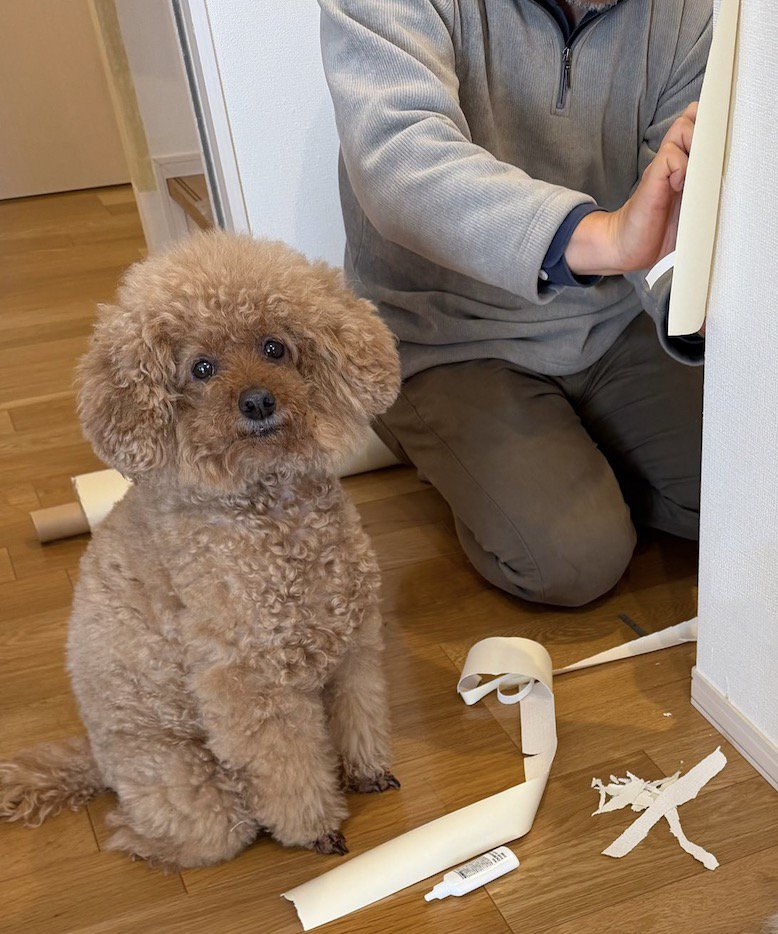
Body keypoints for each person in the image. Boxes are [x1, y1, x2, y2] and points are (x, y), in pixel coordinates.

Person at [319, 0, 712, 607]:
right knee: (574, 562)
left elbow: (675, 203)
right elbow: (398, 158)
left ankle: (574, 458)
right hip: (445, 332)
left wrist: (694, 306)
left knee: (749, 495)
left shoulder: (693, 12)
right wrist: (602, 237)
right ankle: (448, 443)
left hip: (612, 318)